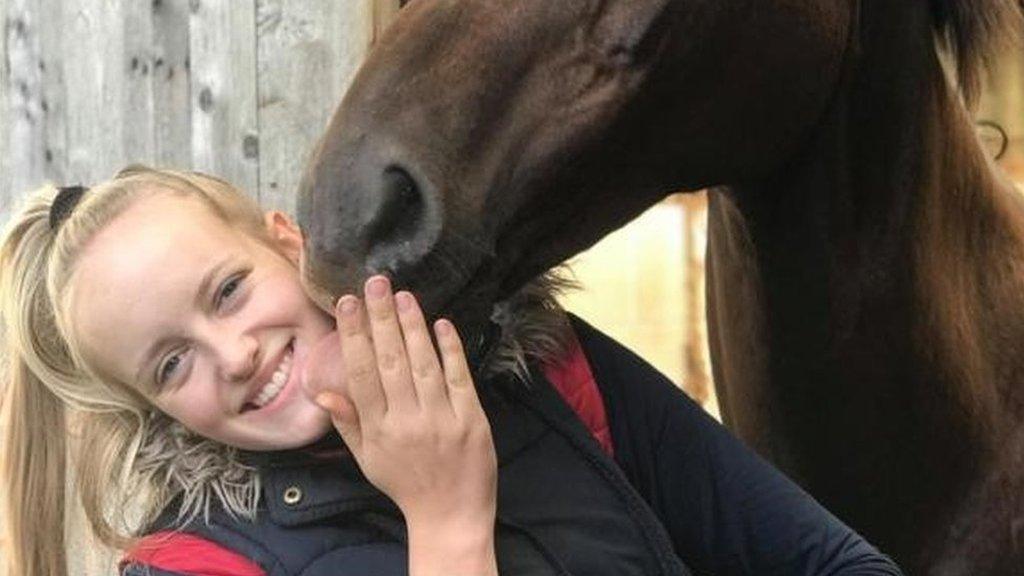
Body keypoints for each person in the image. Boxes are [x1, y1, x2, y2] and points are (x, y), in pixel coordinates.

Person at [0, 166, 903, 576]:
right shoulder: (197, 568)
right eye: (171, 363)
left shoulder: (540, 365)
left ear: (286, 238)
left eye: (229, 290)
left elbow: (830, 561)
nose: (232, 355)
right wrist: (444, 519)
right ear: (155, 410)